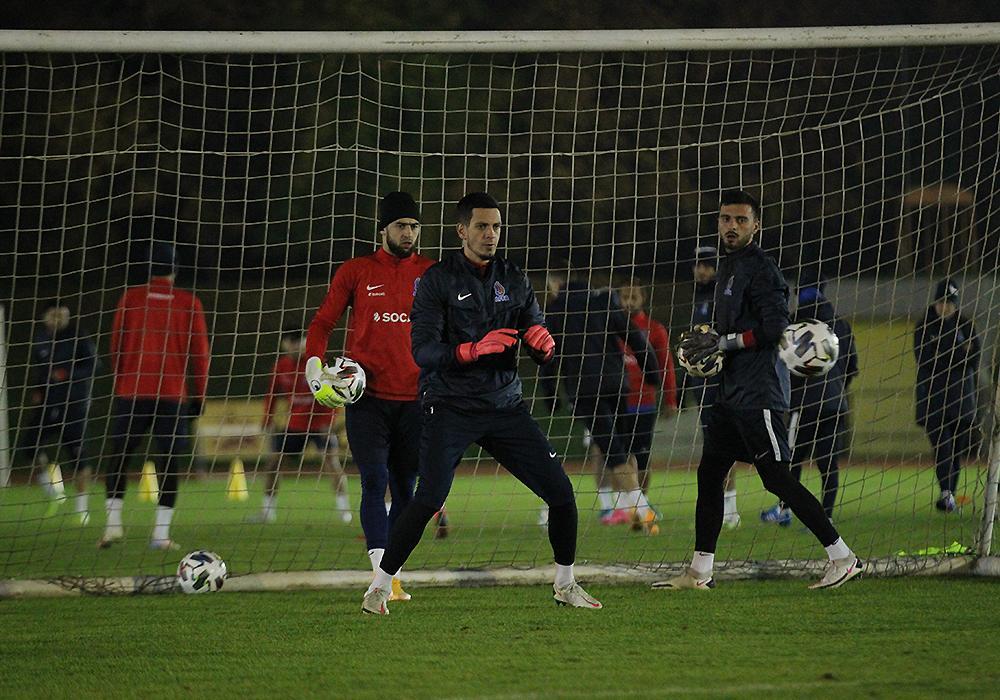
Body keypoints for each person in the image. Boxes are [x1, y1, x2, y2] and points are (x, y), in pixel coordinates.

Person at [360, 191, 601, 614]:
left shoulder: (515, 277)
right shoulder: (437, 280)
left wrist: (544, 347)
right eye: (481, 226)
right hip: (450, 405)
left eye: (496, 227)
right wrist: (471, 350)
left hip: (504, 405)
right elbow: (422, 351)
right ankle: (379, 587)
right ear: (461, 230)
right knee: (428, 498)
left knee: (562, 493)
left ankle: (565, 584)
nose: (490, 234)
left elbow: (536, 332)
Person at [658, 190, 862, 591]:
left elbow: (774, 328)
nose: (732, 226)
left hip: (759, 392)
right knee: (710, 474)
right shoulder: (728, 268)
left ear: (756, 226)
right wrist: (712, 349)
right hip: (730, 390)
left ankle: (843, 558)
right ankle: (699, 572)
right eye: (726, 219)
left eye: (741, 220)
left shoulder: (763, 270)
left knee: (775, 477)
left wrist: (725, 342)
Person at [306, 191, 435, 602]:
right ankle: (381, 577)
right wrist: (313, 365)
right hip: (367, 400)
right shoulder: (357, 271)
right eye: (400, 226)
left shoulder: (432, 273)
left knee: (406, 489)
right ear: (383, 229)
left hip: (416, 399)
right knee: (374, 480)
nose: (408, 233)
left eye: (414, 226)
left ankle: (391, 577)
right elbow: (322, 322)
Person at [99, 242, 210, 550]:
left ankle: (112, 526)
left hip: (132, 392)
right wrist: (199, 396)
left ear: (148, 269)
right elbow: (200, 355)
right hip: (172, 395)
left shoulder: (130, 298)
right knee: (169, 461)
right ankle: (160, 535)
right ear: (176, 269)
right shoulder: (189, 303)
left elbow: (115, 345)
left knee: (120, 455)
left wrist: (122, 383)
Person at [540, 273, 661, 534]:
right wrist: (652, 373)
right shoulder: (603, 301)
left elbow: (547, 355)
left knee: (613, 451)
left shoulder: (556, 310)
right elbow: (634, 337)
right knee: (623, 447)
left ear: (557, 284)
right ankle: (634, 510)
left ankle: (642, 510)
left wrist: (550, 396)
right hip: (617, 385)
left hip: (585, 390)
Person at [761, 273, 858, 525]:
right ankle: (827, 515)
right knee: (828, 462)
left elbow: (782, 365)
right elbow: (851, 367)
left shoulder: (792, 324)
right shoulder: (841, 324)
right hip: (835, 403)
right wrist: (835, 390)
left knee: (790, 459)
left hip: (803, 403)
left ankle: (784, 509)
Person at [253, 327, 351, 524]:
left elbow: (334, 391)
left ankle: (345, 512)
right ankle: (267, 512)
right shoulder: (281, 366)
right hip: (295, 425)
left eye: (300, 342)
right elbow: (272, 395)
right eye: (292, 343)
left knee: (332, 464)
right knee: (273, 464)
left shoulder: (317, 364)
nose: (296, 347)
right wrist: (267, 420)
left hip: (320, 424)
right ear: (285, 344)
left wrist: (331, 421)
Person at [18, 300, 97, 523]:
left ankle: (81, 510)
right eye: (54, 315)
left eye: (63, 315)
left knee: (79, 457)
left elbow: (93, 366)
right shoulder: (41, 339)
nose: (59, 319)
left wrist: (67, 374)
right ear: (45, 317)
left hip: (74, 404)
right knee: (29, 447)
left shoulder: (79, 337)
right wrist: (39, 390)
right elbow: (42, 371)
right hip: (48, 404)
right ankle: (53, 493)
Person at [679, 245, 741, 528]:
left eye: (706, 265)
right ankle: (725, 507)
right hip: (701, 385)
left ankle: (730, 507)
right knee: (715, 443)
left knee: (724, 443)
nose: (701, 270)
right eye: (697, 265)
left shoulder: (720, 297)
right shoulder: (699, 299)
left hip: (721, 383)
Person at [914, 279, 980, 512]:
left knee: (956, 451)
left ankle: (949, 494)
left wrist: (942, 353)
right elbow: (924, 359)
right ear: (935, 302)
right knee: (942, 447)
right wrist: (957, 354)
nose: (945, 307)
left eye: (950, 303)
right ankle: (946, 492)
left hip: (961, 399)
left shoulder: (965, 325)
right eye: (942, 302)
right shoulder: (925, 326)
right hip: (933, 399)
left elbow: (974, 357)